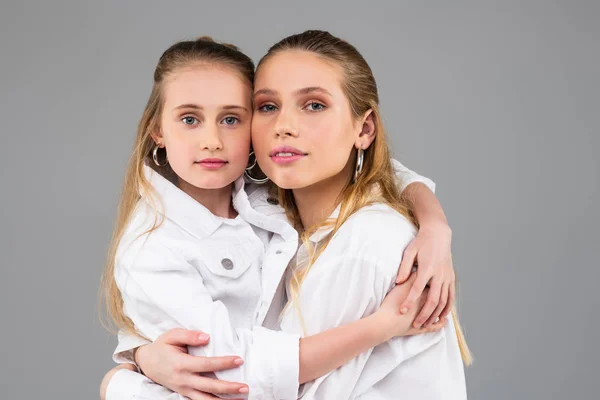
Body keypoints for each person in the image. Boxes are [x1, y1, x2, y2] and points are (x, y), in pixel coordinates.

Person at [100, 34, 463, 400]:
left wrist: (122, 386)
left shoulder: (360, 245)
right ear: (158, 130)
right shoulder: (262, 198)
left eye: (315, 105)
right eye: (269, 107)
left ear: (364, 129)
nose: (284, 126)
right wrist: (142, 357)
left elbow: (254, 385)